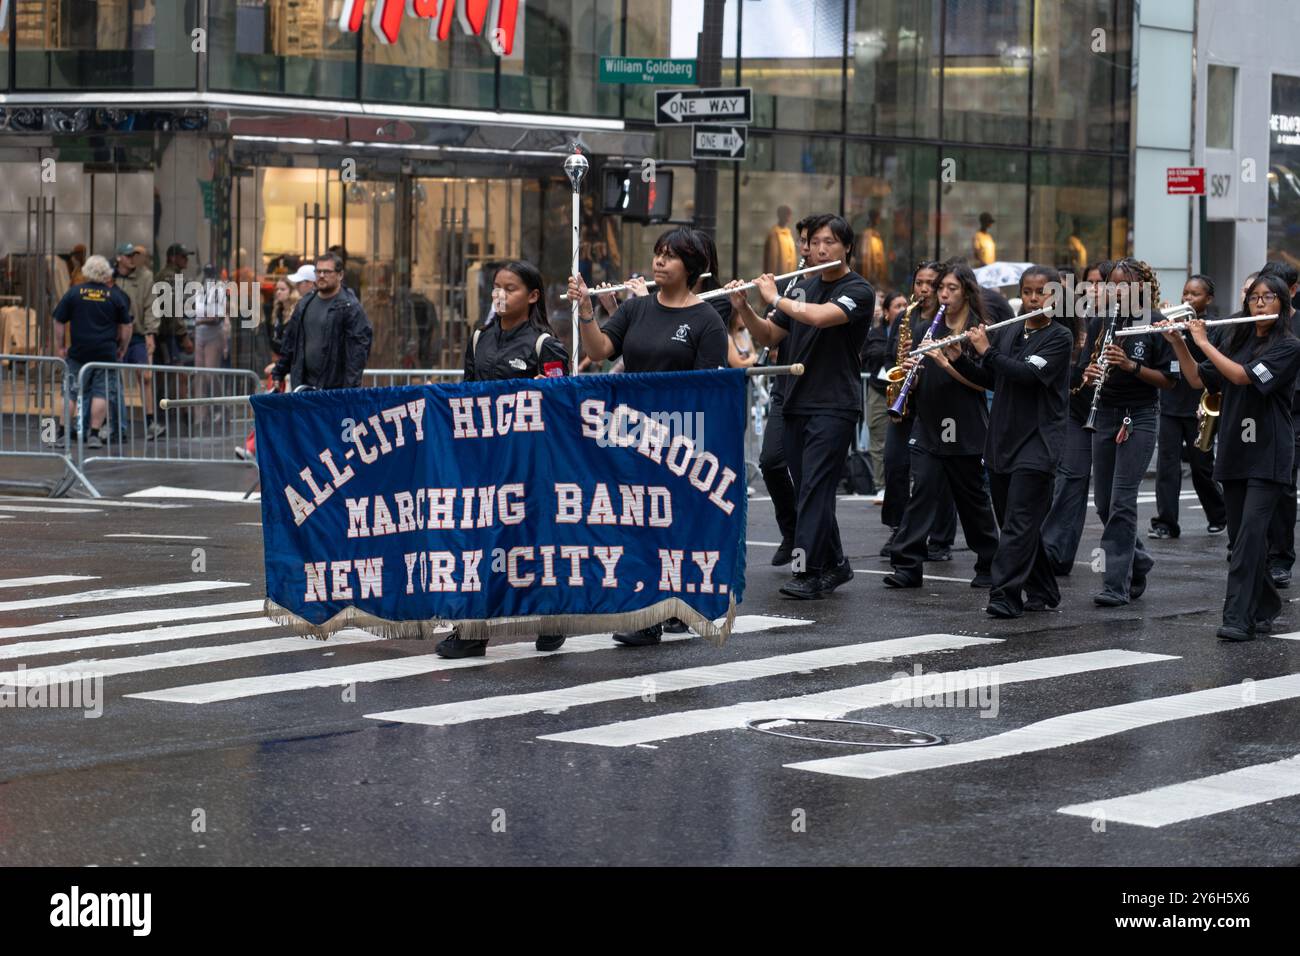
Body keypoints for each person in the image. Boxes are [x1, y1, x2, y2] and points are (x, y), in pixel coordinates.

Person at [568, 227, 729, 646]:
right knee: (634, 522)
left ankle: (656, 612)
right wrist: (587, 310)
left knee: (666, 526)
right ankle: (656, 606)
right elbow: (602, 348)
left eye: (670, 256)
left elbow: (705, 391)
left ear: (691, 267)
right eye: (658, 253)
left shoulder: (707, 320)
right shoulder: (637, 308)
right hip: (630, 431)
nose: (659, 262)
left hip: (679, 435)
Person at [729, 213, 873, 600]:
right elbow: (770, 334)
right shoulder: (803, 287)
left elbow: (822, 318)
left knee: (815, 488)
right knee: (810, 488)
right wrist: (745, 308)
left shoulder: (858, 290)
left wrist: (775, 297)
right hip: (795, 400)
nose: (820, 249)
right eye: (815, 242)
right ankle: (836, 563)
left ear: (846, 247)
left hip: (834, 404)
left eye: (829, 242)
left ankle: (806, 571)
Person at [437, 260, 570, 660]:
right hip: (483, 461)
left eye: (509, 288)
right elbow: (464, 395)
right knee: (478, 540)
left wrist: (549, 390)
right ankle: (472, 630)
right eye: (496, 287)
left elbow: (560, 406)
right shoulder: (479, 337)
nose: (500, 294)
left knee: (530, 541)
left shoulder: (545, 345)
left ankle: (551, 616)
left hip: (530, 464)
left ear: (532, 296)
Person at [1168, 273, 1300, 640]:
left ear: (1282, 305)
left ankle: (1237, 618)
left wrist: (1202, 340)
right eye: (1254, 297)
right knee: (1242, 537)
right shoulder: (1234, 341)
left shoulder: (1288, 346)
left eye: (1268, 297)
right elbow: (1198, 380)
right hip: (1234, 450)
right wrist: (1179, 341)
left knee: (1251, 538)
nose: (1259, 303)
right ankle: (1267, 604)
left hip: (1269, 452)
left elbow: (1242, 378)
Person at [964, 265, 1074, 617]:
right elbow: (994, 379)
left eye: (1041, 292)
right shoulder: (1010, 331)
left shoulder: (1060, 337)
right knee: (1016, 524)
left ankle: (1004, 596)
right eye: (1027, 292)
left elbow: (1028, 375)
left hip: (1038, 443)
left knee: (1018, 523)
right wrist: (955, 360)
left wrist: (987, 352)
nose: (1033, 299)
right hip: (1002, 439)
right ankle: (1043, 587)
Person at [882, 260, 999, 590]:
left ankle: (990, 561)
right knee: (922, 492)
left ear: (966, 292)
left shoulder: (978, 330)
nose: (943, 295)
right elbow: (922, 377)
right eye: (941, 288)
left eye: (952, 289)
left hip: (964, 423)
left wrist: (947, 362)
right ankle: (907, 565)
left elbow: (984, 383)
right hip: (930, 421)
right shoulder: (926, 329)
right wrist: (911, 375)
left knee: (972, 499)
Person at [1080, 257, 1179, 607]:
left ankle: (1114, 585)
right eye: (1113, 285)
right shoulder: (1101, 321)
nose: (1117, 291)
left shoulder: (1155, 323)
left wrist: (1130, 366)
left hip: (1139, 415)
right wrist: (1089, 373)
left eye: (1124, 284)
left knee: (1122, 501)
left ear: (1141, 286)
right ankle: (1139, 559)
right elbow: (1082, 370)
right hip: (1105, 413)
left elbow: (1169, 380)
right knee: (1105, 504)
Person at [880, 261, 958, 558]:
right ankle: (898, 528)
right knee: (894, 463)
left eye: (931, 284)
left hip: (937, 406)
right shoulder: (904, 317)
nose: (924, 289)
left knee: (938, 473)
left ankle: (940, 538)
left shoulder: (950, 319)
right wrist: (899, 374)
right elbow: (889, 358)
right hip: (905, 402)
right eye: (919, 283)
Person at [1042, 261, 1112, 575]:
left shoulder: (1123, 319)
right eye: (1090, 283)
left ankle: (1135, 560)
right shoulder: (1072, 316)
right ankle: (1055, 555)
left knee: (1109, 500)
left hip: (1115, 412)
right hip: (1076, 408)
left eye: (1101, 283)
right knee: (1068, 480)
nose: (1094, 289)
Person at [1148, 275, 1227, 540]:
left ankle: (1219, 514)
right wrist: (1168, 328)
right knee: (1167, 467)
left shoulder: (1214, 327)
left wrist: (1189, 334)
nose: (1188, 299)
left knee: (1201, 467)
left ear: (1209, 299)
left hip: (1199, 405)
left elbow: (1209, 361)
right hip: (1170, 403)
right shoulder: (1173, 322)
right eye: (1186, 293)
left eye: (1195, 294)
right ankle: (1166, 523)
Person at [757, 217, 811, 567]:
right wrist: (745, 307)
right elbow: (769, 333)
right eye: (804, 242)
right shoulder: (790, 285)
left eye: (815, 241)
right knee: (771, 461)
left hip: (819, 391)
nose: (808, 249)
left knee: (810, 476)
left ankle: (813, 551)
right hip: (785, 386)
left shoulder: (839, 287)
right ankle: (790, 529)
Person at [51, 255, 133, 448]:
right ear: (106, 274)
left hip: (78, 353)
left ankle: (63, 433)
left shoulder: (74, 293)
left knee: (70, 392)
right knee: (101, 393)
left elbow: (58, 320)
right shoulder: (114, 296)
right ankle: (94, 435)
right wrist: (122, 347)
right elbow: (127, 325)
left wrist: (60, 346)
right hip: (105, 353)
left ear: (86, 271)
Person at [267, 252, 373, 390]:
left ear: (340, 275)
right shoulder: (304, 304)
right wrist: (279, 372)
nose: (322, 275)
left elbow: (358, 353)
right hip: (303, 387)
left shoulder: (350, 307)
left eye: (327, 272)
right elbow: (291, 343)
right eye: (318, 271)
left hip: (334, 390)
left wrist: (349, 390)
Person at [1261, 261, 1300, 587]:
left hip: (1294, 411)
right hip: (1259, 408)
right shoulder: (1255, 323)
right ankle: (1253, 546)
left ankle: (1281, 557)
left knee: (1285, 485)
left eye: (1275, 293)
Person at [113, 242, 163, 439]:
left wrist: (151, 332)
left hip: (137, 334)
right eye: (128, 256)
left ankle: (150, 420)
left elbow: (151, 305)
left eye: (133, 255)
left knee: (145, 377)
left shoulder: (145, 277)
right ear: (119, 258)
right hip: (115, 335)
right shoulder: (111, 277)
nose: (132, 259)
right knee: (114, 379)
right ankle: (114, 422)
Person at [863, 291, 907, 495]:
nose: (902, 309)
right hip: (879, 390)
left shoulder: (911, 329)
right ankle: (881, 485)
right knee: (879, 439)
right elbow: (869, 356)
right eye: (897, 306)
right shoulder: (875, 333)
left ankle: (906, 483)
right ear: (887, 313)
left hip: (905, 392)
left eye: (904, 305)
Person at [153, 243, 193, 366]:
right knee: (176, 372)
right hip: (167, 333)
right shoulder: (170, 277)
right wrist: (183, 336)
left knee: (168, 371)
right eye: (183, 256)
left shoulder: (171, 275)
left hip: (167, 332)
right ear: (172, 258)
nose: (186, 259)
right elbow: (172, 309)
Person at [764, 205, 798, 276]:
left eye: (789, 215)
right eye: (786, 215)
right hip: (778, 277)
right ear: (780, 216)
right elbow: (772, 260)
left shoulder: (788, 234)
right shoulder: (774, 234)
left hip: (789, 275)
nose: (788, 217)